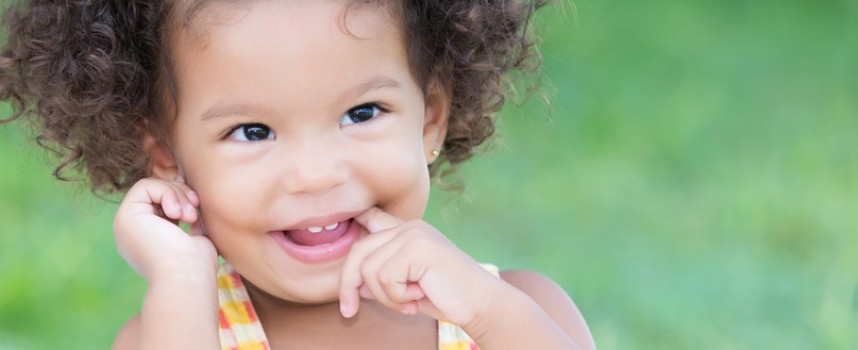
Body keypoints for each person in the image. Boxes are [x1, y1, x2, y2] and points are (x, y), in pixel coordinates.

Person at [1, 0, 595, 348]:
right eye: (253, 132)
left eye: (362, 113)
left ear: (430, 120)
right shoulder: (175, 332)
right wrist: (183, 277)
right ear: (165, 154)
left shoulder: (518, 314)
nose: (314, 176)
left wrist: (490, 312)